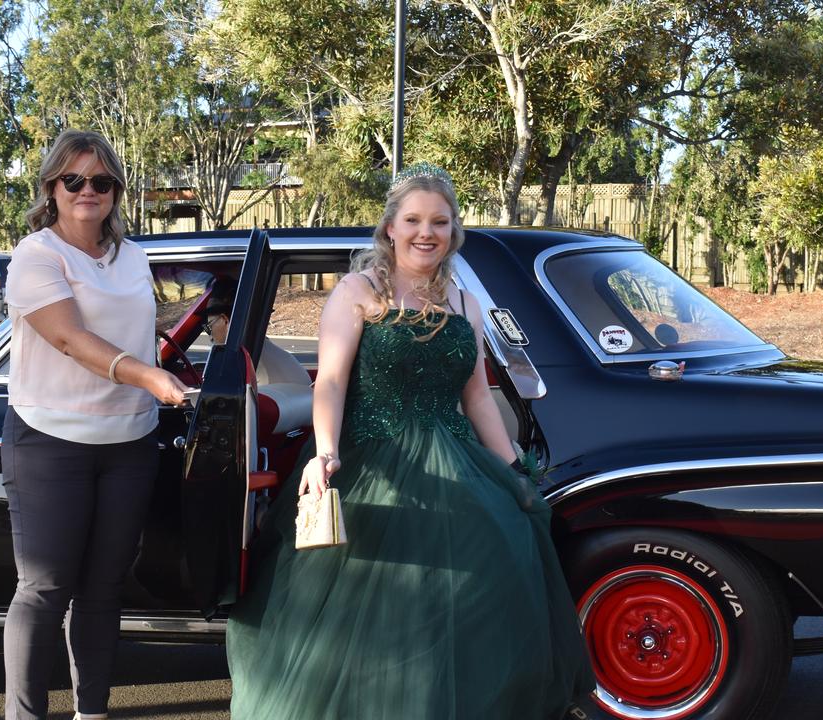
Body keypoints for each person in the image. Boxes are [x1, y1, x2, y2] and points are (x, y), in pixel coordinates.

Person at [225, 162, 594, 720]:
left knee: (472, 596)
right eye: (415, 220)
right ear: (390, 228)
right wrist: (325, 453)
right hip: (373, 461)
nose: (427, 233)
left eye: (440, 222)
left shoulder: (464, 303)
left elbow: (474, 397)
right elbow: (330, 381)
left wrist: (512, 465)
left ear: (453, 232)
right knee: (370, 620)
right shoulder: (359, 291)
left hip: (458, 465)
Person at [1, 129, 188, 720]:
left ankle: (92, 712)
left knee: (103, 591)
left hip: (130, 441)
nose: (88, 191)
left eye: (102, 182)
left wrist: (203, 315)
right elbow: (69, 338)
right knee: (44, 590)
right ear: (51, 187)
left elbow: (139, 326)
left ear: (116, 191)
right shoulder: (37, 256)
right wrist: (149, 379)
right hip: (50, 440)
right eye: (74, 180)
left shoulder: (132, 256)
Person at [200, 276, 312, 386]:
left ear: (225, 320)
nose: (210, 336)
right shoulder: (275, 355)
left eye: (208, 326)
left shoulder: (241, 364)